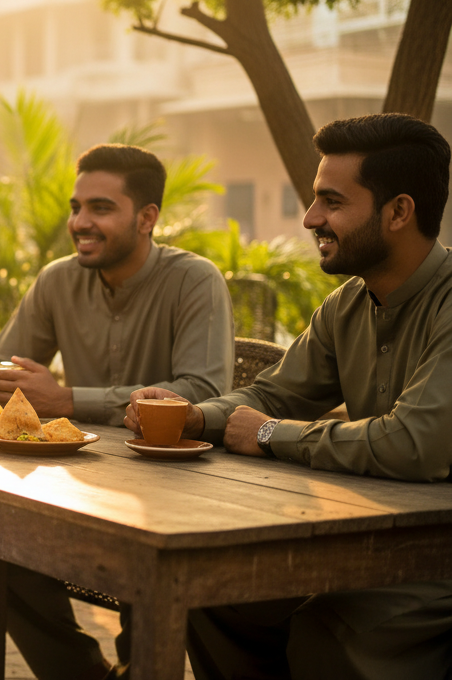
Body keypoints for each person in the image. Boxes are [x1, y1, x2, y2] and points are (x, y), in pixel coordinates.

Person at [128, 113, 452, 680]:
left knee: (327, 634)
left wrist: (272, 435)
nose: (310, 219)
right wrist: (194, 416)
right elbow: (274, 393)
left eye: (331, 201)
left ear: (399, 212)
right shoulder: (346, 306)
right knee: (213, 598)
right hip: (365, 537)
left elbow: (414, 443)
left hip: (436, 559)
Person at [0, 143, 235, 680]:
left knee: (147, 564)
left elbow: (200, 391)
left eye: (100, 209)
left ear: (147, 217)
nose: (80, 222)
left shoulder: (194, 280)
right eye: (75, 207)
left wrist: (67, 400)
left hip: (176, 496)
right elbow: (6, 357)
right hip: (80, 485)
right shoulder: (58, 279)